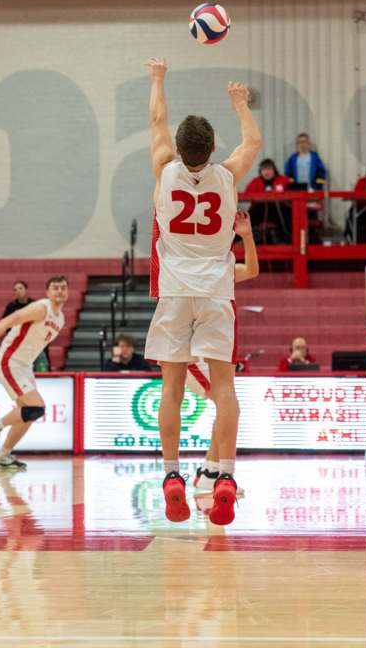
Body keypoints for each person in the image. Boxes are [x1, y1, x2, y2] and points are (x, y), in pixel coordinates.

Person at [144, 57, 261, 525]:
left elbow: (156, 119)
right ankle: (225, 477)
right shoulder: (228, 175)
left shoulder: (163, 169)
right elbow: (253, 141)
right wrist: (240, 103)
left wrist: (158, 78)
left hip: (174, 290)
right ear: (212, 148)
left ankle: (173, 475)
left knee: (170, 388)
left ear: (178, 148)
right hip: (216, 289)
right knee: (225, 387)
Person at [0, 275, 68, 470]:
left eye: (63, 288)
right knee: (37, 408)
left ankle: (3, 455)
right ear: (47, 292)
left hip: (25, 366)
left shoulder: (60, 319)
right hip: (9, 362)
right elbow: (6, 322)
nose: (60, 291)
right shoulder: (40, 309)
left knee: (28, 414)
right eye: (55, 288)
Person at [187, 209, 258, 496]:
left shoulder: (222, 266)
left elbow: (252, 270)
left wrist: (248, 236)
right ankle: (211, 471)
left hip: (211, 353)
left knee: (227, 409)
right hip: (197, 357)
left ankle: (209, 471)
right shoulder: (194, 265)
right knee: (229, 407)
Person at [1, 280, 50, 372]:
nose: (18, 291)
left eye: (20, 288)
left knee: (41, 357)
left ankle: (44, 375)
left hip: (34, 342)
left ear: (26, 290)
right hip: (17, 342)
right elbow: (5, 325)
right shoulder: (11, 307)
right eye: (15, 290)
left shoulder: (35, 305)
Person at [242, 158, 290, 243]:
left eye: (269, 169)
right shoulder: (255, 182)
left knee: (289, 215)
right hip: (260, 210)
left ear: (274, 170)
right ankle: (248, 241)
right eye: (264, 169)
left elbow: (292, 192)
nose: (266, 172)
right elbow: (247, 195)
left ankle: (287, 240)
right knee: (246, 218)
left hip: (279, 209)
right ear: (260, 171)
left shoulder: (283, 180)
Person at [344, 163, 366, 244]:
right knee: (353, 213)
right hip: (364, 211)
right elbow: (356, 195)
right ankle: (357, 243)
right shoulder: (362, 181)